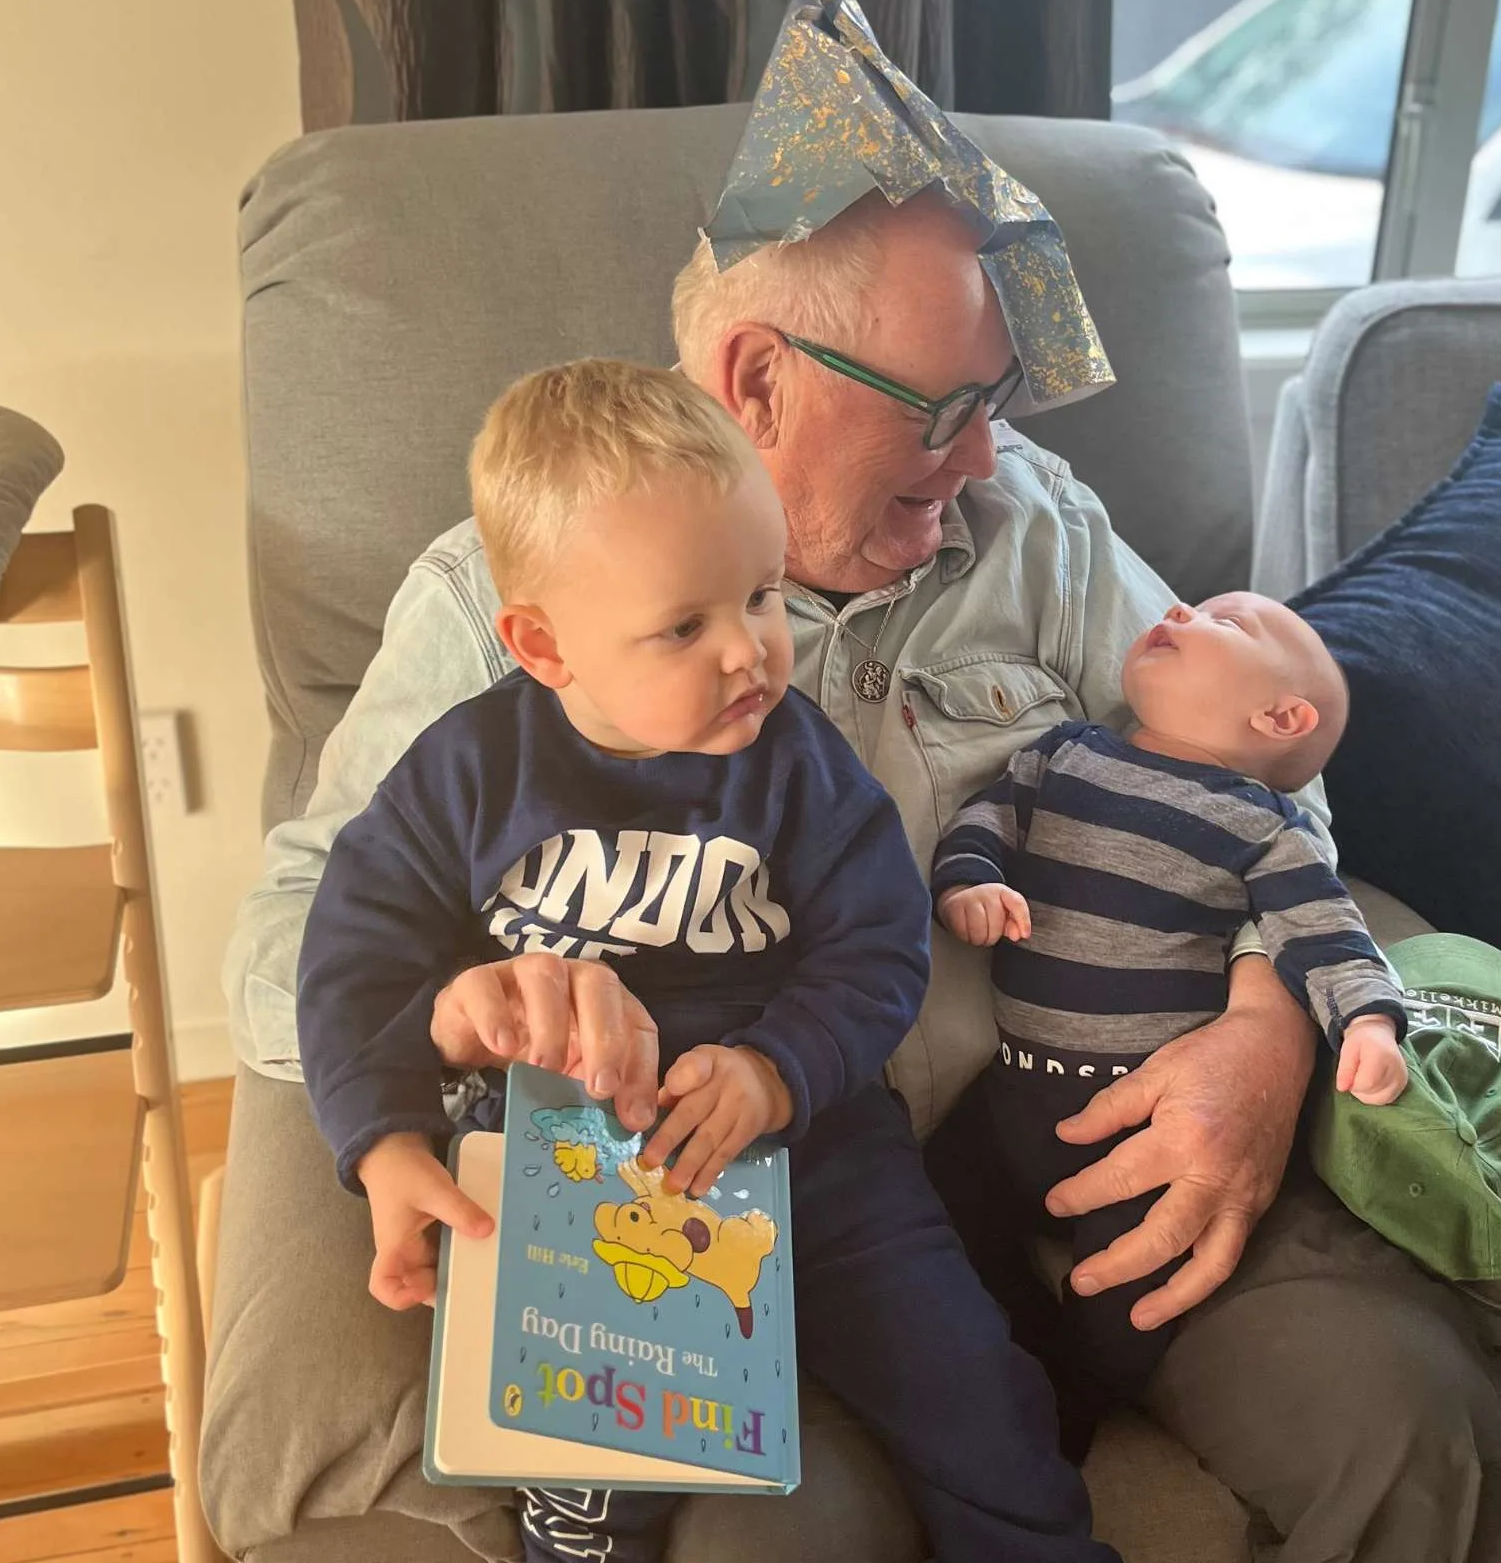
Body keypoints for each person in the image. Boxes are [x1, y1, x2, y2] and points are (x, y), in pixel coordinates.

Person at [223, 0, 1501, 1560]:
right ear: (757, 377)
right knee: (800, 1536)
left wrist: (1265, 1035)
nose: (987, 454)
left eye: (1003, 402)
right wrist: (469, 1005)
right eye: (950, 406)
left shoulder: (1033, 526)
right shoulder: (509, 609)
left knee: (1397, 1408)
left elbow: (1274, 776)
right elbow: (288, 943)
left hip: (1093, 1145)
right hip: (751, 1188)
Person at [294, 359, 1120, 1563]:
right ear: (543, 645)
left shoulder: (794, 763)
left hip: (816, 1163)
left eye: (763, 595)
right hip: (565, 1170)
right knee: (587, 1476)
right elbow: (353, 954)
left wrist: (777, 1068)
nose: (748, 653)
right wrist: (381, 1140)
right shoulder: (466, 772)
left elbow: (878, 942)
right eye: (684, 626)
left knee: (976, 1393)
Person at [929, 591, 1409, 1450]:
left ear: (1280, 714)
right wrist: (970, 879)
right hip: (1010, 1087)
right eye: (1192, 605)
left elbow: (1326, 931)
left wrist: (1368, 1022)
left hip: (1146, 1117)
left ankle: (1079, 1403)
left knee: (1137, 1287)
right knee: (941, 1203)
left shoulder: (1266, 828)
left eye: (1223, 622)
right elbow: (990, 814)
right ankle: (1020, 1337)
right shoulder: (1065, 752)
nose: (1181, 608)